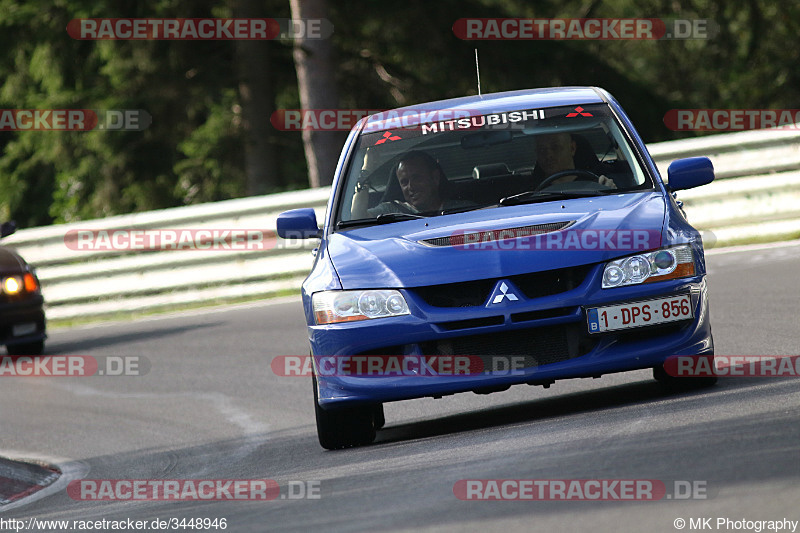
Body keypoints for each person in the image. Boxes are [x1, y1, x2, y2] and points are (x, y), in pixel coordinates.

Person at [351, 150, 470, 218]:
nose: (411, 187)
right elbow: (357, 217)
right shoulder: (390, 212)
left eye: (417, 178)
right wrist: (367, 169)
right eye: (404, 182)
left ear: (435, 178)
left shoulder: (461, 210)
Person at [534, 133, 617, 189]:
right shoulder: (527, 193)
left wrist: (611, 193)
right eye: (542, 150)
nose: (548, 155)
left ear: (572, 148)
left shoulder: (599, 184)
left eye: (555, 147)